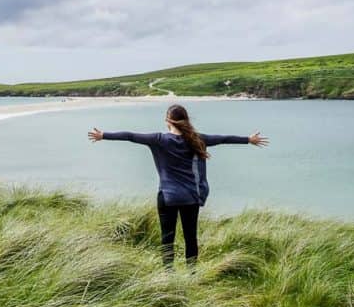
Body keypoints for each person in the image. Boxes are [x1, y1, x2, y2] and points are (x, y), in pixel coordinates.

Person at [88, 104, 268, 269]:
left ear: (167, 121)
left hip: (167, 197)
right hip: (190, 198)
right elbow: (223, 139)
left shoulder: (159, 139)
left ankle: (168, 274)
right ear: (186, 120)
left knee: (167, 238)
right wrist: (248, 139)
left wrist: (103, 135)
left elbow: (130, 136)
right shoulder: (197, 139)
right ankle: (192, 273)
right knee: (191, 237)